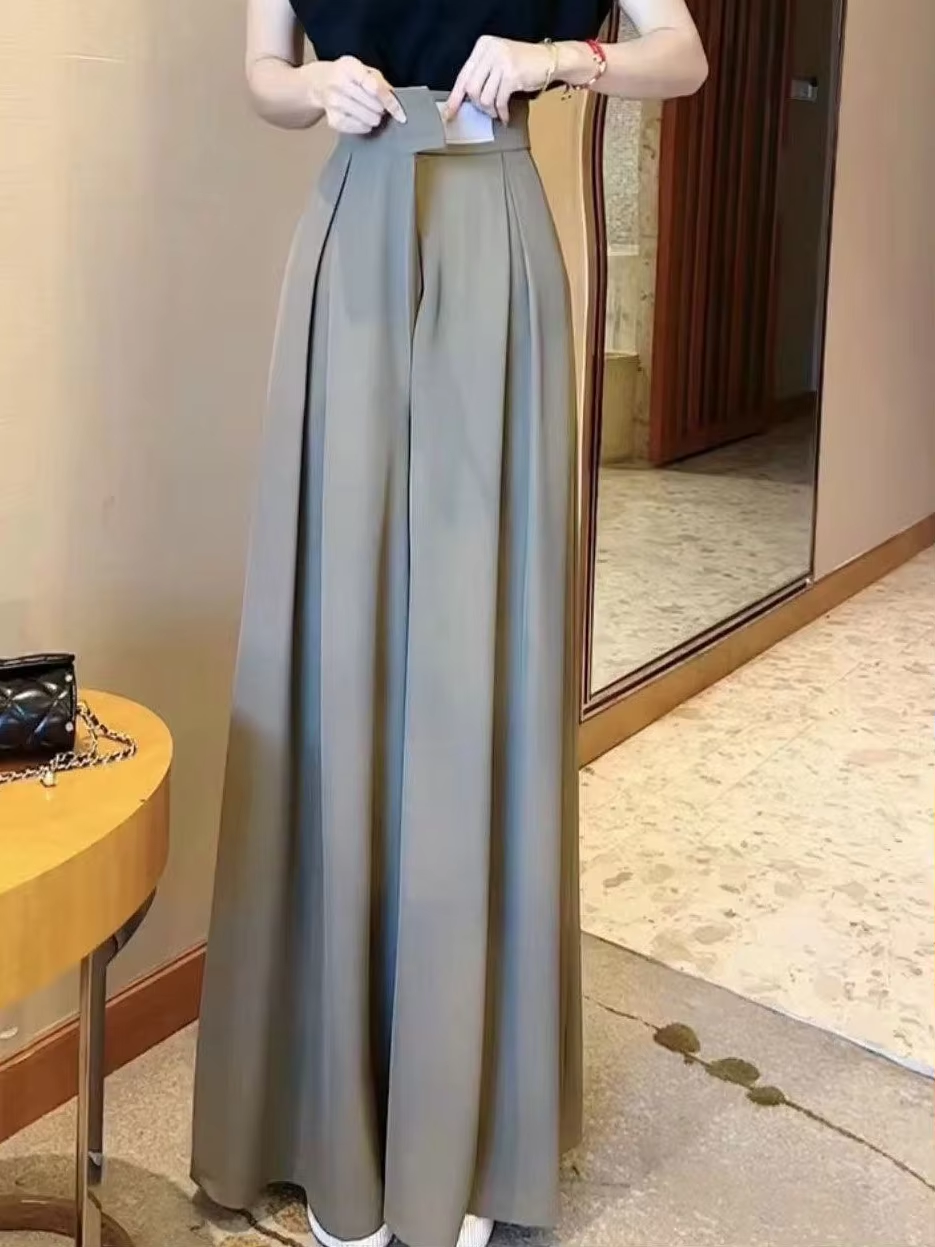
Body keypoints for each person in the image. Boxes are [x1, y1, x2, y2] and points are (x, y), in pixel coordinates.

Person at [191, 4, 706, 1247]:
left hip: (495, 228)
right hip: (349, 235)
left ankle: (461, 1124)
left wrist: (555, 60)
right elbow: (260, 73)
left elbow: (682, 57)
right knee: (337, 647)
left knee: (476, 663)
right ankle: (324, 1117)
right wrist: (315, 87)